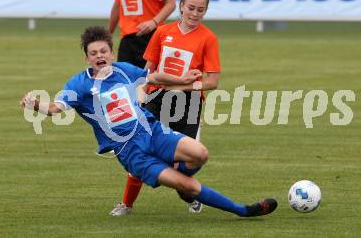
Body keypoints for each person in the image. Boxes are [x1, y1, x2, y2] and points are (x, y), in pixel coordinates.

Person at [19, 26, 277, 218]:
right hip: (131, 153)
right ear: (86, 58)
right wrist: (37, 105)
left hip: (152, 132)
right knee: (186, 184)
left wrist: (185, 79)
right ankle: (243, 211)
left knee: (200, 154)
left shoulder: (124, 70)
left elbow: (153, 77)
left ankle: (178, 181)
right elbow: (56, 107)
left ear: (110, 52)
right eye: (94, 53)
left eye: (104, 51)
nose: (100, 56)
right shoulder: (79, 84)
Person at [111, 0, 221, 216]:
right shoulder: (162, 32)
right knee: (140, 151)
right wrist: (139, 100)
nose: (195, 13)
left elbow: (212, 82)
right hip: (157, 99)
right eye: (191, 8)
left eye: (201, 10)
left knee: (187, 160)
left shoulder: (208, 38)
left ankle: (188, 193)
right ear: (181, 6)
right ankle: (126, 204)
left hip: (188, 105)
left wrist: (183, 86)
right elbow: (148, 70)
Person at [108, 0, 176, 68]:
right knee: (123, 79)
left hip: (151, 37)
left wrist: (154, 22)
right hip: (127, 39)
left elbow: (171, 3)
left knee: (149, 79)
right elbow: (118, 5)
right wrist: (108, 34)